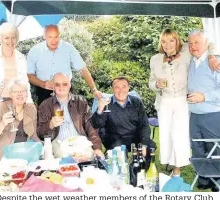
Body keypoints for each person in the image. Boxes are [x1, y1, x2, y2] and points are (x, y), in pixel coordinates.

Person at [148, 29, 219, 177]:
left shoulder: (187, 52)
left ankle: (178, 169)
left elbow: (207, 43)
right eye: (164, 41)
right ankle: (172, 163)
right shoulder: (155, 59)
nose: (167, 45)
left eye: (171, 40)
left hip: (182, 100)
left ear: (177, 41)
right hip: (165, 101)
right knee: (166, 135)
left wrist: (212, 56)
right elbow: (151, 83)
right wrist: (156, 85)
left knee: (180, 135)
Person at [26, 24, 102, 105]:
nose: (54, 40)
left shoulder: (68, 48)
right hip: (44, 93)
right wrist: (43, 83)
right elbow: (29, 75)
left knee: (68, 116)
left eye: (56, 37)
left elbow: (82, 69)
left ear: (59, 35)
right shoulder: (35, 51)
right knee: (46, 117)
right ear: (44, 36)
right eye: (50, 37)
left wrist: (94, 90)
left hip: (65, 91)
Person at [37, 73, 104, 159]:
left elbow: (90, 126)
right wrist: (51, 125)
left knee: (89, 157)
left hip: (80, 141)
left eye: (64, 84)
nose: (61, 87)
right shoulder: (45, 105)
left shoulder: (80, 101)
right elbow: (40, 134)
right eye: (57, 84)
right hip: (59, 142)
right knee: (65, 160)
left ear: (69, 85)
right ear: (53, 86)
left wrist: (97, 148)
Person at [91, 76, 155, 163]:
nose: (121, 91)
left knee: (150, 146)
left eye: (124, 87)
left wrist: (144, 144)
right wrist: (100, 109)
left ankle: (143, 172)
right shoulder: (106, 104)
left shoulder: (136, 102)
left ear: (129, 88)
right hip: (115, 139)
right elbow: (95, 124)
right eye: (117, 87)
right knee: (120, 158)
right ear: (112, 89)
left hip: (135, 138)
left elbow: (144, 125)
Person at [187, 30, 220, 192]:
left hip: (212, 115)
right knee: (198, 148)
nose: (193, 46)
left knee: (216, 148)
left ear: (206, 44)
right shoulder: (192, 62)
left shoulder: (215, 62)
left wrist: (204, 96)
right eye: (190, 43)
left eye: (197, 42)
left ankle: (218, 180)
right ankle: (204, 178)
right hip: (194, 115)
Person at [0, 79, 39, 159]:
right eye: (16, 92)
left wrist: (43, 146)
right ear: (10, 94)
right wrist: (2, 124)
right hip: (2, 157)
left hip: (23, 155)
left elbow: (34, 135)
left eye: (23, 91)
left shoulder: (31, 109)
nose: (20, 94)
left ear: (27, 94)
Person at [0, 22, 33, 111]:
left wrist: (30, 102)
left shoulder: (21, 58)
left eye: (13, 37)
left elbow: (25, 83)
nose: (10, 41)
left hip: (19, 105)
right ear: (1, 39)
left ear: (17, 38)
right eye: (6, 38)